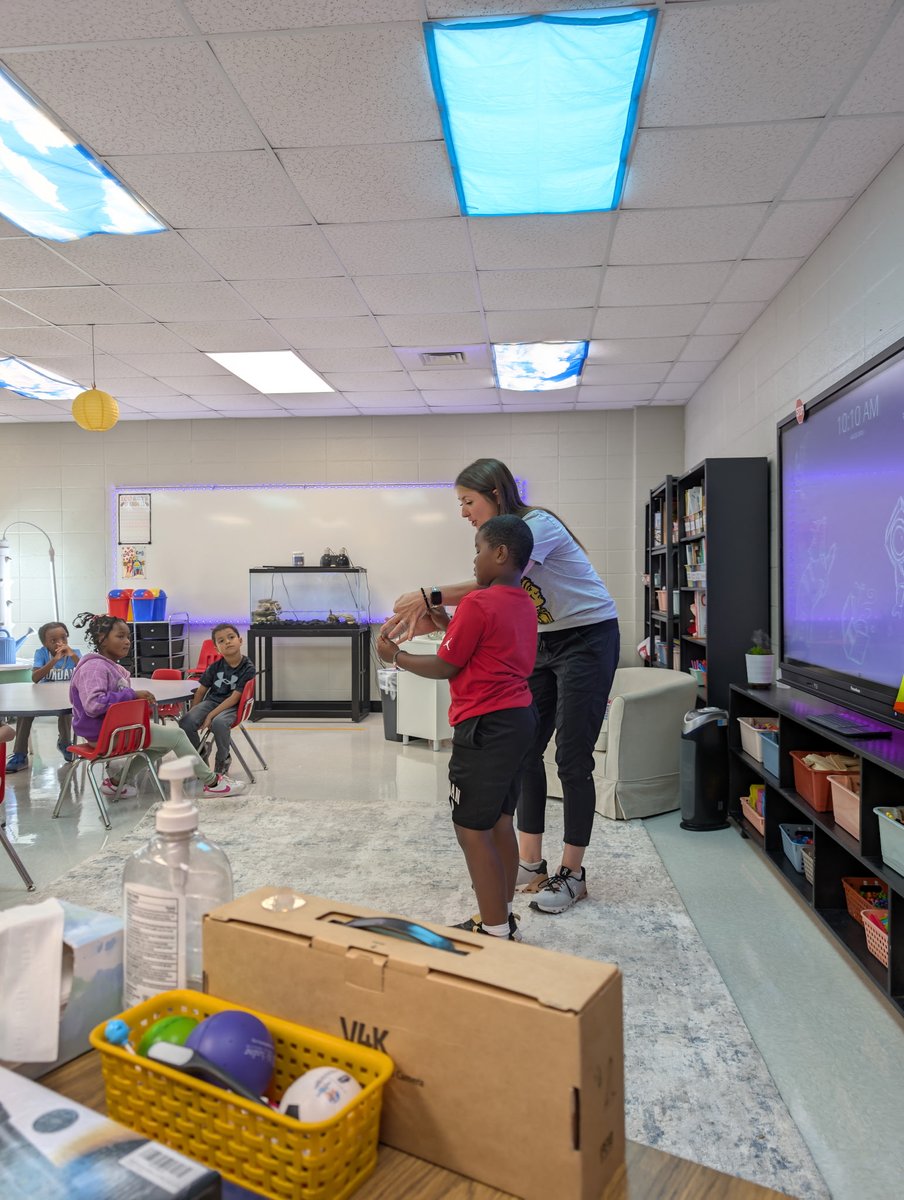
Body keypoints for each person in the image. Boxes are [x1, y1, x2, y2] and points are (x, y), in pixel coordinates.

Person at [382, 458, 620, 915]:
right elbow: (486, 596)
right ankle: (531, 863)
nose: (464, 512)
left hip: (589, 636)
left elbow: (484, 582)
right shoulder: (500, 542)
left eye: (468, 502)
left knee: (572, 757)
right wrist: (438, 614)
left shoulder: (537, 527)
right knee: (527, 751)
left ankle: (573, 874)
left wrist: (428, 594)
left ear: (494, 492)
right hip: (545, 642)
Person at [377, 514, 538, 940]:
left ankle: (496, 931)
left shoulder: (478, 603)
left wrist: (394, 656)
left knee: (471, 828)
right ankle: (501, 915)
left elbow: (447, 664)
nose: (474, 559)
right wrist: (448, 624)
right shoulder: (522, 602)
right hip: (519, 719)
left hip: (485, 726)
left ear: (500, 553)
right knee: (501, 821)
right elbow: (482, 650)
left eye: (478, 549)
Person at [69, 613, 246, 797]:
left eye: (128, 636)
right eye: (120, 636)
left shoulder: (107, 666)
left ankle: (116, 782)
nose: (128, 641)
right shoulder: (94, 667)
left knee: (166, 742)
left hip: (115, 730)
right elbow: (93, 704)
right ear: (101, 639)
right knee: (177, 734)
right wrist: (132, 694)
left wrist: (133, 699)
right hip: (106, 734)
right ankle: (212, 782)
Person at [179, 623, 255, 775]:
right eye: (221, 641)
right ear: (216, 648)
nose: (227, 642)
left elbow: (234, 699)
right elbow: (200, 692)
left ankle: (223, 759)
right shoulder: (214, 667)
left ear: (240, 641)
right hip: (212, 702)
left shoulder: (248, 667)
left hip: (233, 707)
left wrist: (210, 716)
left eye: (231, 637)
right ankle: (200, 755)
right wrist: (195, 712)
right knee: (186, 721)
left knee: (219, 723)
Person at [5, 622, 81, 773]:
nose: (60, 642)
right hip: (43, 697)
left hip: (65, 696)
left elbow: (85, 672)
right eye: (53, 640)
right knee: (25, 713)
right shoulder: (41, 653)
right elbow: (35, 678)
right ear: (45, 643)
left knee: (66, 712)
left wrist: (72, 655)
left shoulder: (75, 653)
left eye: (63, 638)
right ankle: (20, 754)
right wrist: (54, 660)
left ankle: (65, 743)